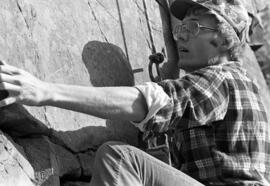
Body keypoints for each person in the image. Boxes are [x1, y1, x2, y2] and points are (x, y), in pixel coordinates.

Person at [0, 0, 269, 185]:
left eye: (193, 28)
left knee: (120, 160)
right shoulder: (232, 86)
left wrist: (43, 91)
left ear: (223, 40)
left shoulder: (223, 79)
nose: (181, 36)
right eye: (180, 28)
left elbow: (148, 103)